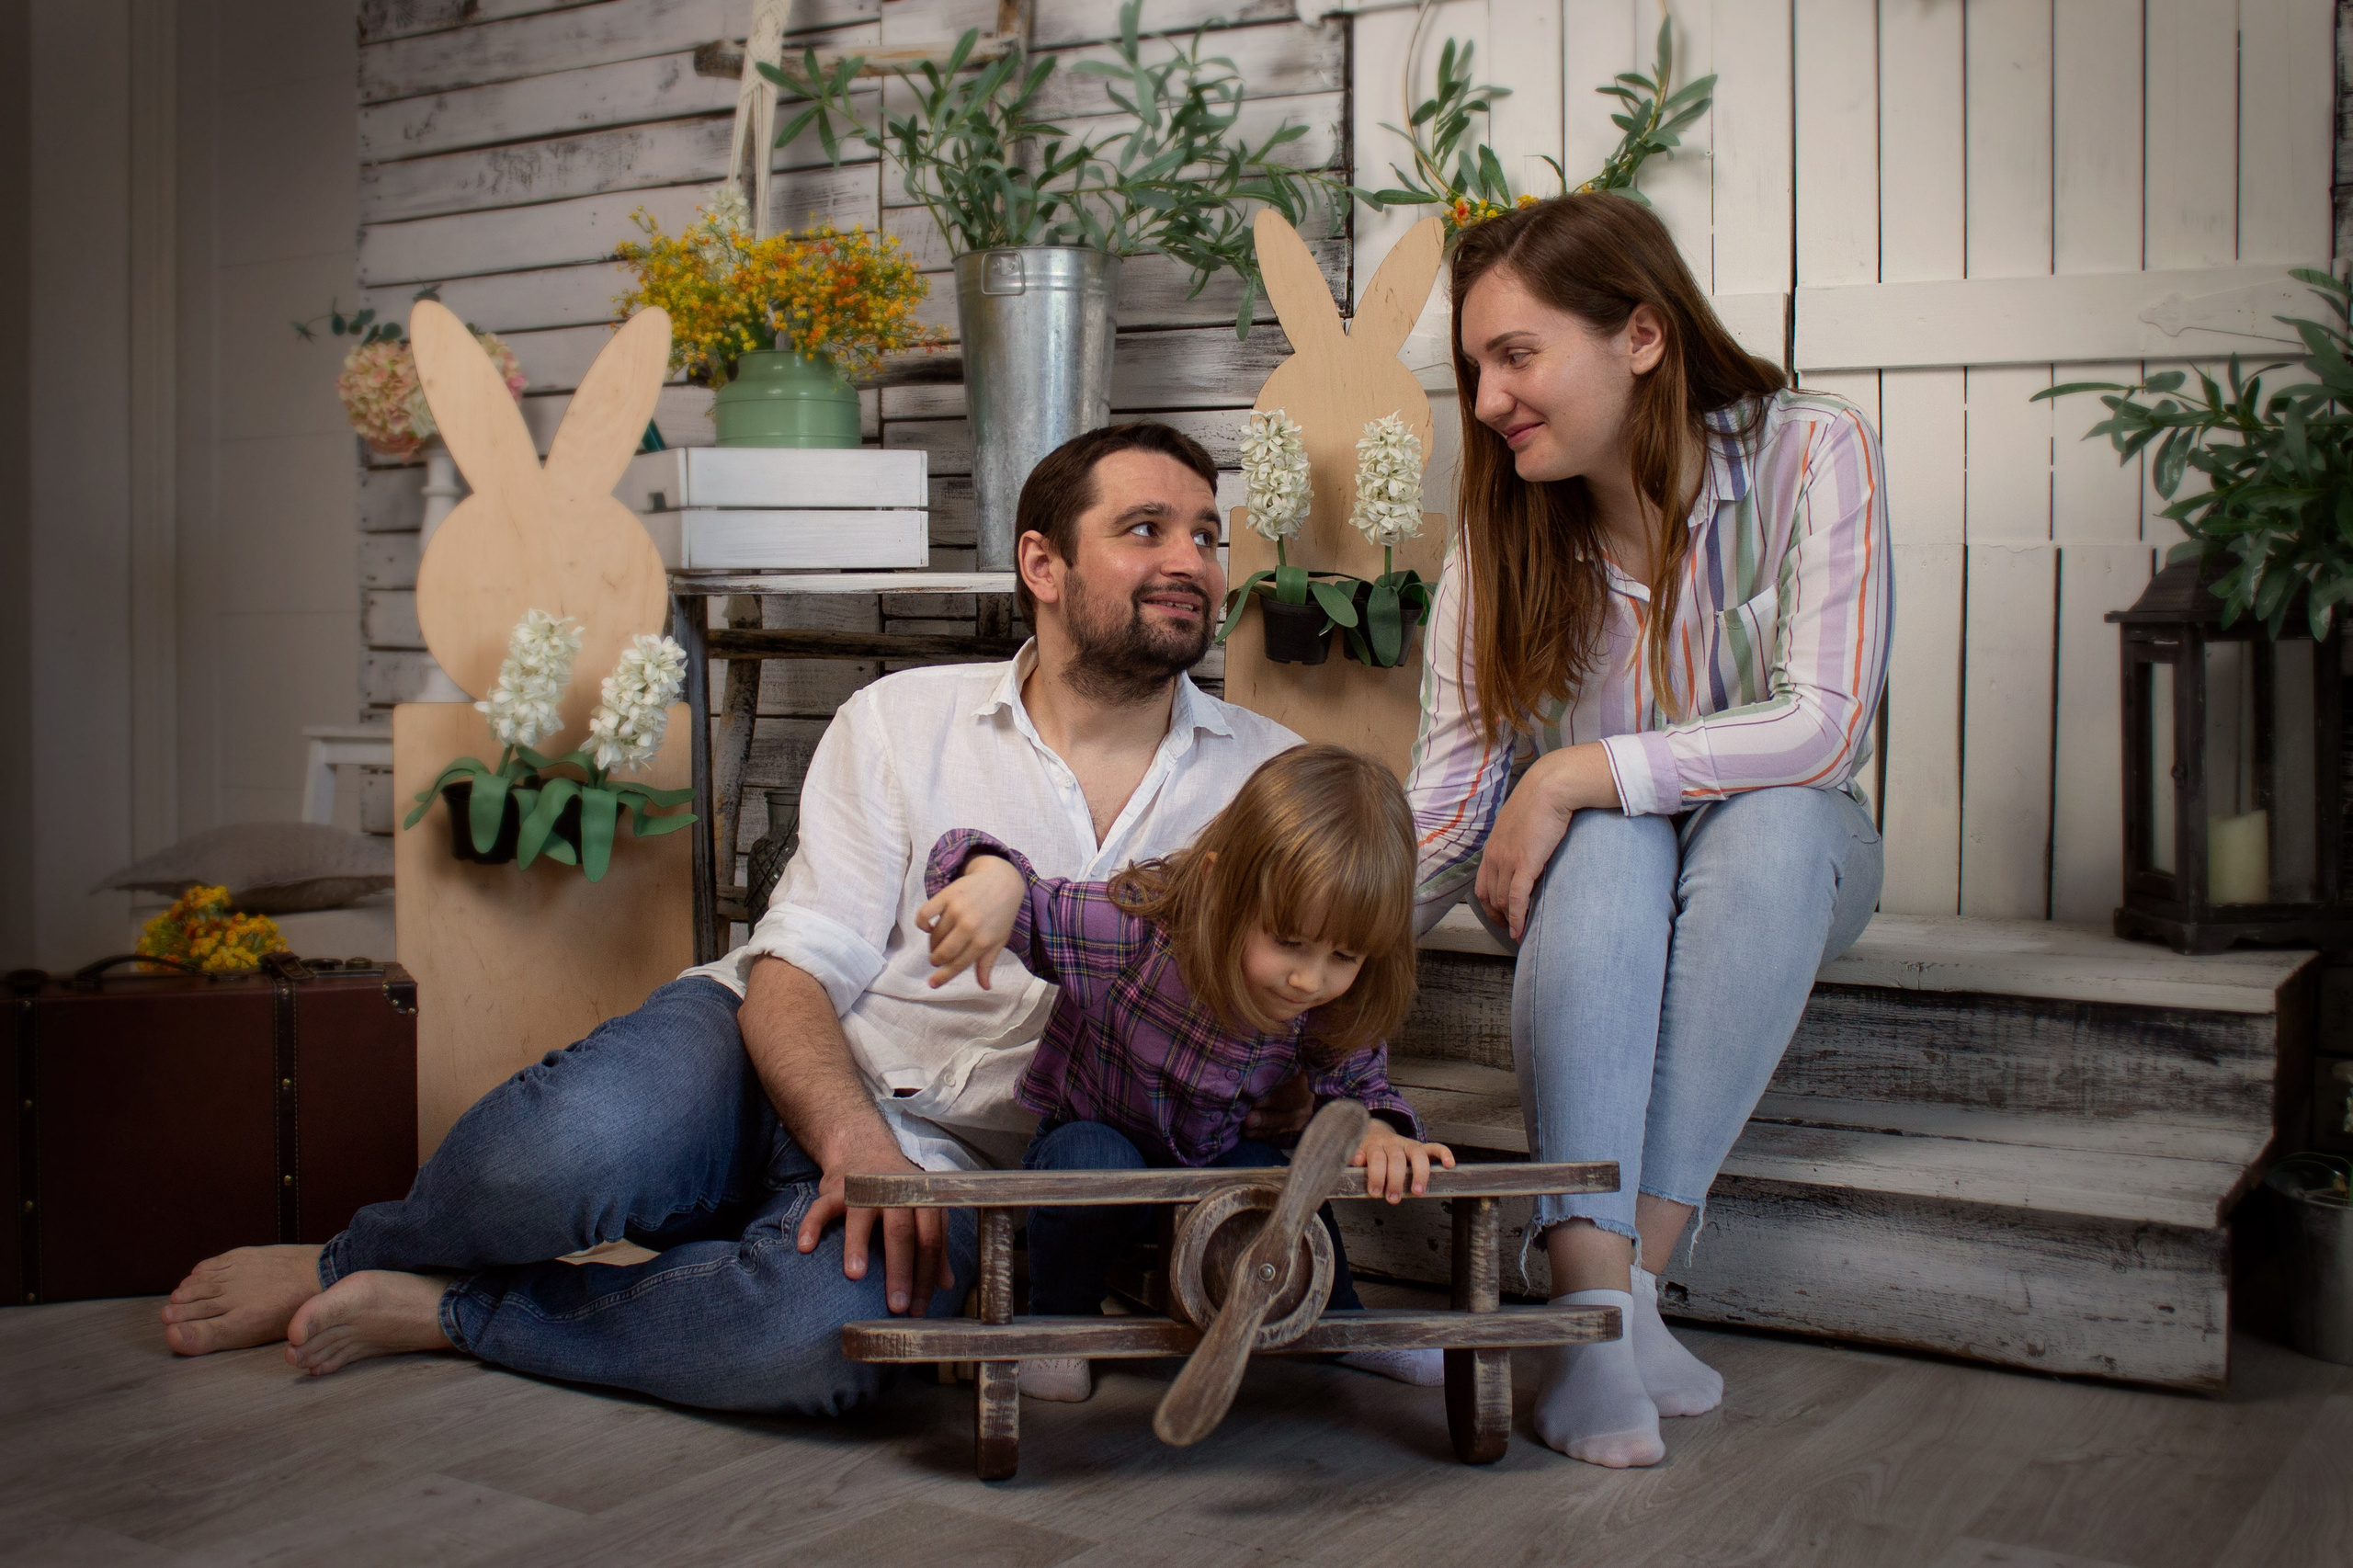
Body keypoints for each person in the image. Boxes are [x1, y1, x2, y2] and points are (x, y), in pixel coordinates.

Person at [158, 420, 1323, 1414]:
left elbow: (1318, 991)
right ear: (1042, 563)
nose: (1190, 560)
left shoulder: (1273, 782)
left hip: (967, 1164)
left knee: (810, 1341)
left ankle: (458, 1311)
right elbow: (798, 963)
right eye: (1146, 529)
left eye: (1205, 535)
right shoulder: (902, 718)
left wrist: (1300, 1086)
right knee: (555, 1152)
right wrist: (850, 1138)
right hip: (766, 1054)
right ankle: (346, 1255)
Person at [1408, 193, 1891, 1468]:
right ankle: (1599, 1310)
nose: (1488, 400)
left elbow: (1823, 725)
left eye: (1516, 356)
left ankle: (1620, 1292)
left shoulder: (1813, 451)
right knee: (1611, 839)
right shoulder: (1504, 527)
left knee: (1764, 818)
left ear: (1640, 335)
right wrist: (1295, 927)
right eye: (1474, 368)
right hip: (1593, 891)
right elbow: (1453, 798)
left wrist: (1576, 770)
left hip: (1788, 863)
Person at [918, 744, 1458, 1402]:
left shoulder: (1324, 1003)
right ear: (1220, 886)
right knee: (1091, 1159)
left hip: (1217, 1163)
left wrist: (1375, 1130)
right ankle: (1058, 1321)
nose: (1309, 979)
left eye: (1344, 956)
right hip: (1101, 1145)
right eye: (1289, 942)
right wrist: (994, 881)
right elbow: (1014, 893)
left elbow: (1358, 1085)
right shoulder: (1131, 933)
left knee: (1282, 1181)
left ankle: (1338, 1320)